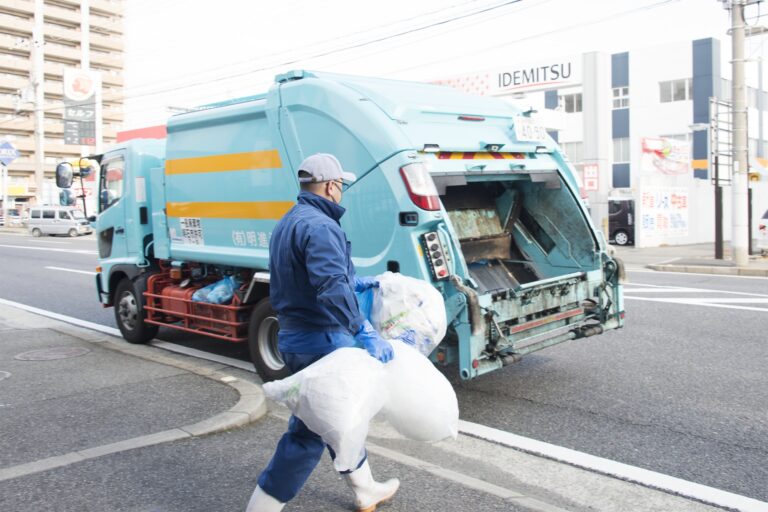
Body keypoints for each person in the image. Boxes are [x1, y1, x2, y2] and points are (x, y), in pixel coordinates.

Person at [246, 153, 399, 512]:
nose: (342, 191)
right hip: (322, 340)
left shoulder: (288, 222)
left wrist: (356, 281)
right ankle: (262, 506)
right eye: (341, 185)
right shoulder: (322, 227)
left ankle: (365, 489)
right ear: (331, 186)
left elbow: (303, 277)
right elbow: (329, 286)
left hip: (294, 336)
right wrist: (363, 329)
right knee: (309, 433)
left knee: (336, 416)